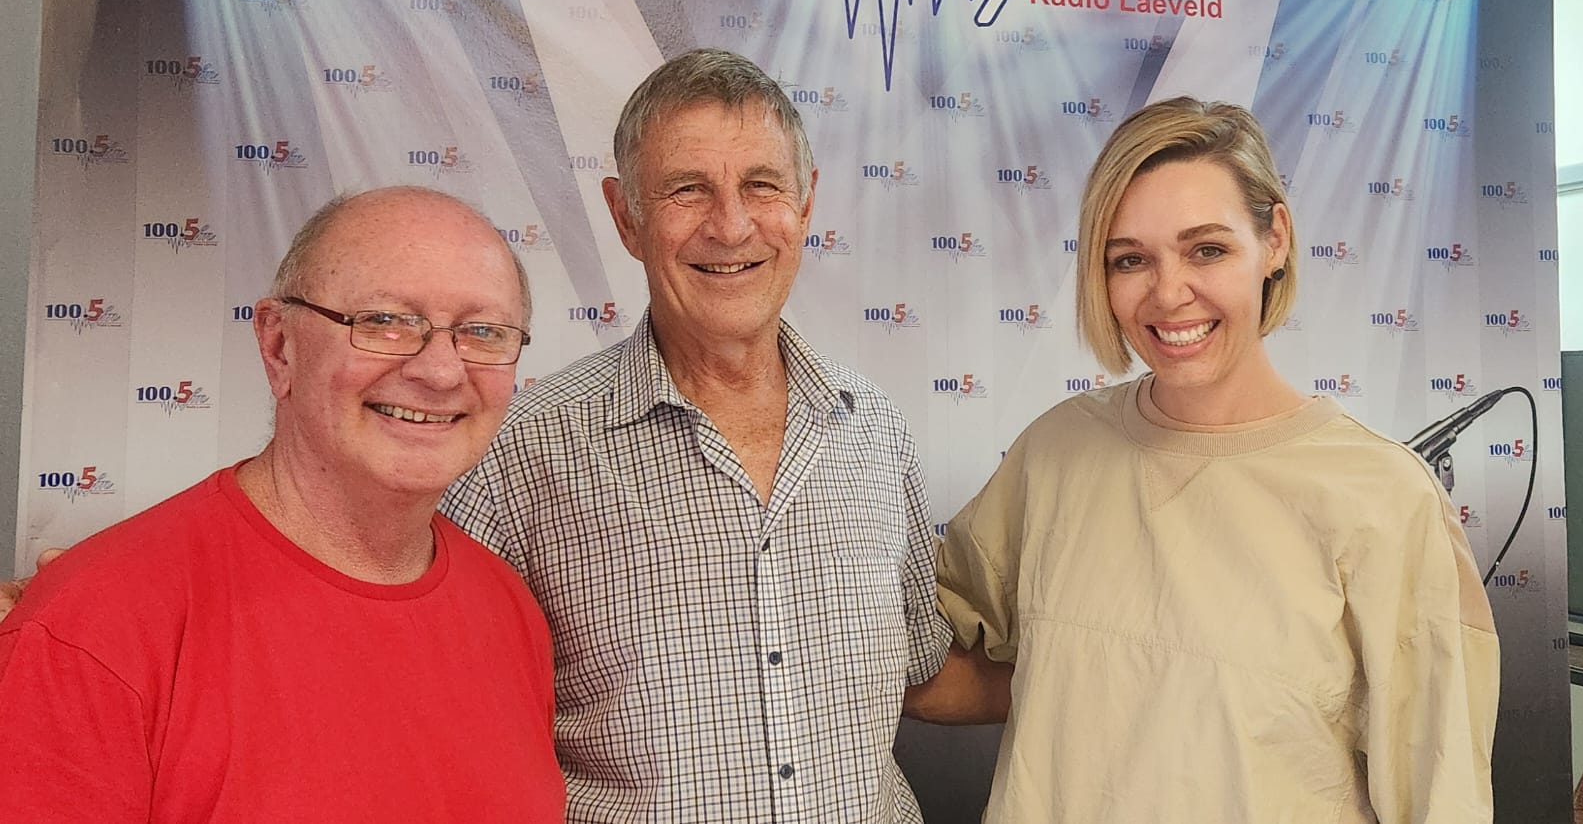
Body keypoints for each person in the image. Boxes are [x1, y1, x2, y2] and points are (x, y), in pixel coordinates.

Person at [925, 97, 1499, 822]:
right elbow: (922, 648)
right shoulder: (1055, 453)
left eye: (1207, 250)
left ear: (1274, 240)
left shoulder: (1387, 499)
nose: (1169, 294)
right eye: (1131, 259)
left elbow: (1439, 796)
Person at [441, 48, 953, 822]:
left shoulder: (875, 431)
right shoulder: (517, 455)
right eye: (688, 189)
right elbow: (449, 728)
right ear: (626, 217)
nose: (732, 225)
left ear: (805, 204)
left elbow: (923, 666)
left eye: (762, 185)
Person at [0, 187, 565, 823]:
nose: (440, 372)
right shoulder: (91, 629)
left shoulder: (509, 609)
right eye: (384, 321)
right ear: (279, 346)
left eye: (483, 332)